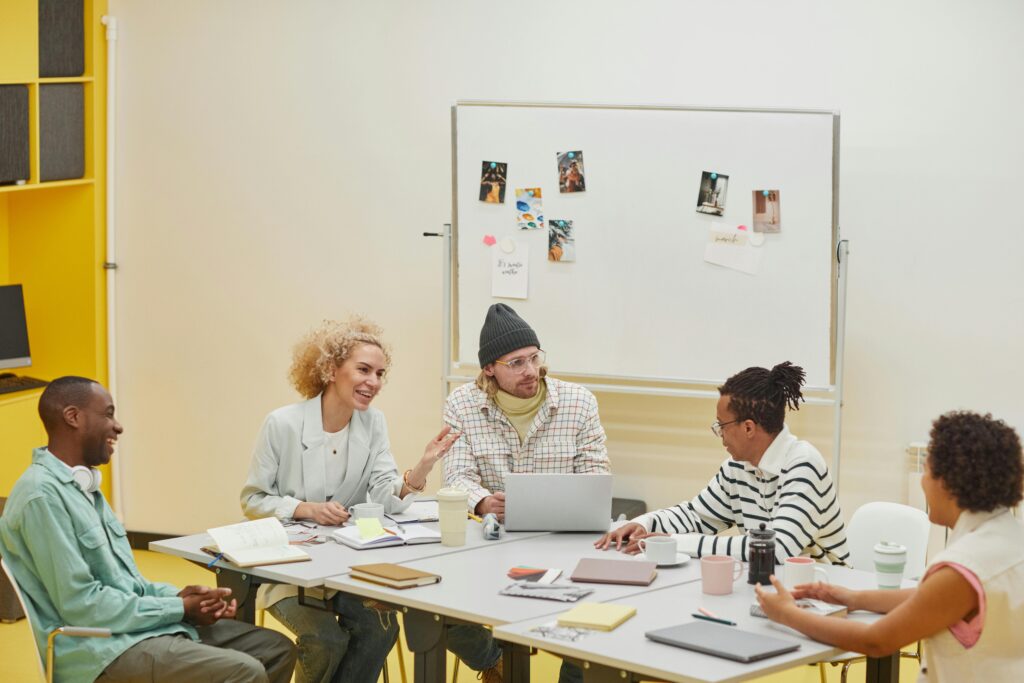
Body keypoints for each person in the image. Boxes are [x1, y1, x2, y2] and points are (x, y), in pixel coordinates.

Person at [0, 377, 296, 683]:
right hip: (96, 651)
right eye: (108, 414)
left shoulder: (84, 488)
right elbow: (82, 605)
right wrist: (179, 608)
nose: (118, 426)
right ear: (73, 417)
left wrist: (184, 597)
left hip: (131, 631)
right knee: (245, 671)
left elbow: (130, 586)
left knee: (276, 648)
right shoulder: (41, 497)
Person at [240, 316, 460, 683]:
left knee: (381, 628)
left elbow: (383, 494)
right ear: (330, 369)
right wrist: (304, 508)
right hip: (291, 572)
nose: (373, 382)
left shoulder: (373, 424)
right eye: (363, 370)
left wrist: (422, 467)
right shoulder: (282, 425)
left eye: (379, 373)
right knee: (325, 640)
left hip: (347, 570)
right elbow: (253, 500)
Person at [756, 411, 1024, 682]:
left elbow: (877, 641)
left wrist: (787, 614)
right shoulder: (1010, 539)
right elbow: (928, 599)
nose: (922, 480)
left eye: (927, 470)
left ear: (948, 482)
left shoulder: (964, 568)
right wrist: (853, 598)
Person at [443, 303, 610, 683]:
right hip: (489, 547)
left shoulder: (577, 401)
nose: (531, 370)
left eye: (534, 358)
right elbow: (456, 476)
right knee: (439, 613)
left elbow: (595, 474)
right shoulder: (462, 405)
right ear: (489, 369)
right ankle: (494, 664)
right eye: (516, 363)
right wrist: (483, 501)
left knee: (596, 615)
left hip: (563, 547)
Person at [597, 362, 849, 566]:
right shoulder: (737, 467)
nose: (719, 433)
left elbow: (775, 549)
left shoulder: (803, 464)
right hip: (773, 586)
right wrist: (645, 523)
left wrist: (674, 541)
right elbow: (697, 516)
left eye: (722, 425)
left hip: (829, 591)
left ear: (748, 427)